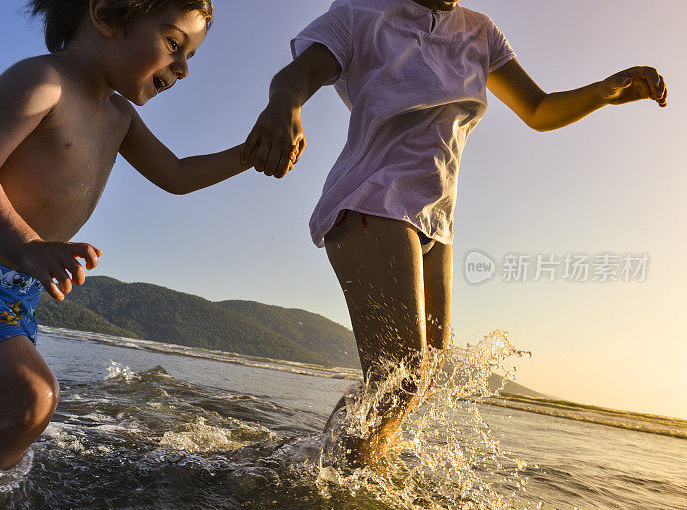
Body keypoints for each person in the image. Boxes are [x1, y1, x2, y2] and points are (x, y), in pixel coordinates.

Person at [242, 0, 667, 466]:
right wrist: (285, 107)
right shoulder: (362, 12)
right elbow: (295, 75)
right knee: (399, 374)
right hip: (373, 197)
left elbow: (539, 110)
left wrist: (605, 92)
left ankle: (328, 469)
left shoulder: (481, 32)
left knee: (418, 378)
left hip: (435, 220)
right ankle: (333, 484)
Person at [0, 0, 270, 470]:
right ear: (108, 14)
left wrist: (251, 152)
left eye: (189, 55)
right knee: (30, 400)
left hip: (14, 290)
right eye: (174, 44)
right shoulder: (44, 81)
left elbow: (176, 175)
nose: (183, 69)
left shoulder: (121, 118)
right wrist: (27, 247)